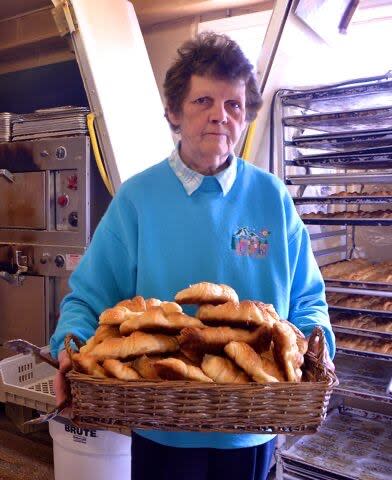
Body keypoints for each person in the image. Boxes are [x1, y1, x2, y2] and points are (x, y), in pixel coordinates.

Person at [50, 32, 335, 480]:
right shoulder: (137, 199)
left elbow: (308, 301)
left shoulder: (272, 198)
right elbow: (88, 298)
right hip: (162, 425)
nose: (220, 116)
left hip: (253, 428)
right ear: (174, 112)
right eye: (203, 100)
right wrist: (68, 347)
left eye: (234, 105)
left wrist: (319, 349)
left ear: (246, 118)